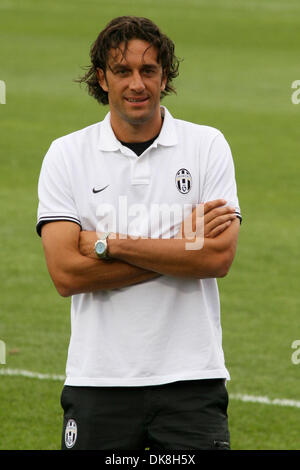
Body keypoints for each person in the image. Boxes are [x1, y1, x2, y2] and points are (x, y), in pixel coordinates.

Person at [37, 16, 242, 450]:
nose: (137, 84)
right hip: (98, 380)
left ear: (164, 76)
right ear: (102, 78)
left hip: (192, 380)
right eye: (123, 71)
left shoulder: (207, 146)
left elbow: (217, 259)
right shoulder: (66, 155)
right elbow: (66, 276)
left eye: (149, 71)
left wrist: (107, 244)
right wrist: (179, 250)